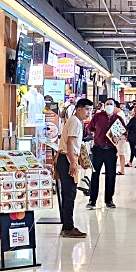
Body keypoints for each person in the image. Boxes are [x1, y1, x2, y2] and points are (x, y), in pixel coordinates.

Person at [54, 99, 91, 239]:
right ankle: (68, 227)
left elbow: (75, 143)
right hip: (67, 159)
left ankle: (67, 225)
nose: (88, 113)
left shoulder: (74, 121)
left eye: (90, 110)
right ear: (79, 109)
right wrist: (72, 163)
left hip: (67, 158)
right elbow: (70, 142)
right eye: (87, 109)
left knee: (69, 194)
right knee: (69, 194)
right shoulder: (75, 121)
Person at [85, 99, 120, 210]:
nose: (109, 106)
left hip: (111, 150)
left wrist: (118, 137)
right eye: (107, 104)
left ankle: (109, 200)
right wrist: (95, 133)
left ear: (115, 107)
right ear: (104, 106)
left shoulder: (117, 119)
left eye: (111, 104)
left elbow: (124, 133)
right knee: (95, 174)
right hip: (98, 149)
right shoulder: (98, 116)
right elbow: (89, 128)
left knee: (111, 175)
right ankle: (92, 200)